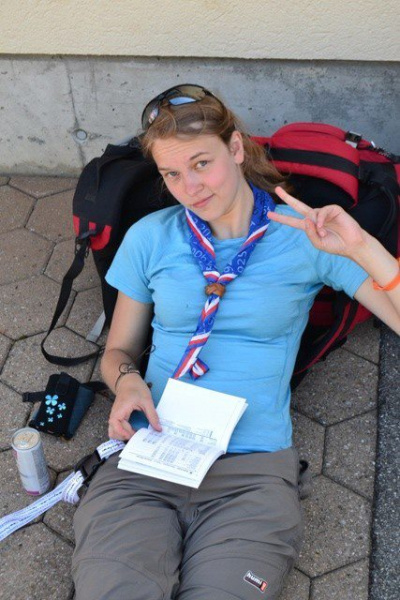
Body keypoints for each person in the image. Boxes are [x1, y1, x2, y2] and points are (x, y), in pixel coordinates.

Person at [72, 84, 400, 600]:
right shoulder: (151, 236)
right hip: (150, 457)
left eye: (201, 164)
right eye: (171, 174)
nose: (189, 188)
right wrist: (127, 383)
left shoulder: (306, 237)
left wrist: (362, 247)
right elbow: (118, 352)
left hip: (251, 473)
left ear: (237, 148)